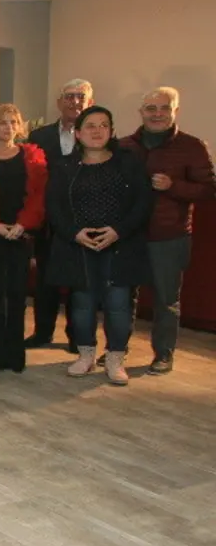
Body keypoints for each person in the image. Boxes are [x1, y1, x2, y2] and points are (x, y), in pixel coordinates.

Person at [46, 106, 154, 385]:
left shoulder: (128, 163)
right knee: (82, 305)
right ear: (78, 133)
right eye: (90, 126)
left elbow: (143, 204)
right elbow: (54, 207)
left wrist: (118, 231)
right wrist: (73, 233)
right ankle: (85, 355)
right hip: (79, 246)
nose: (97, 131)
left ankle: (116, 358)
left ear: (111, 131)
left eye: (103, 125)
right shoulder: (64, 167)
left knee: (118, 304)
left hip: (119, 244)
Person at [119, 87, 213, 374]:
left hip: (169, 236)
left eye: (164, 108)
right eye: (151, 108)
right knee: (122, 296)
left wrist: (174, 187)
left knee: (166, 300)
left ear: (174, 111)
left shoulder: (193, 146)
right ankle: (116, 351)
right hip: (129, 236)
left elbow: (209, 189)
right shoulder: (124, 146)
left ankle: (163, 353)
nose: (157, 114)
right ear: (141, 112)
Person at [0, 105, 48, 372]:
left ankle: (15, 354)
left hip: (21, 234)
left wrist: (22, 224)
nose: (8, 127)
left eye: (13, 122)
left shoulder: (31, 156)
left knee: (17, 295)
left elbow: (39, 195)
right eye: (3, 122)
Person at [26, 78, 93, 352]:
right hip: (46, 220)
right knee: (45, 280)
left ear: (90, 102)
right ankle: (43, 332)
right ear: (59, 102)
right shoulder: (39, 137)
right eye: (69, 96)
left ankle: (77, 336)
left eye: (80, 96)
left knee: (79, 282)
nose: (74, 101)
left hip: (82, 221)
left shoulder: (97, 136)